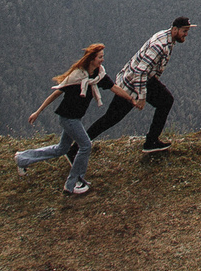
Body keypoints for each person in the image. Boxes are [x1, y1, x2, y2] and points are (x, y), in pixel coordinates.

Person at [14, 43, 137, 196]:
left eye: (102, 57)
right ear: (92, 59)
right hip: (68, 118)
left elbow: (114, 88)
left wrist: (131, 99)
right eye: (100, 57)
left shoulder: (98, 75)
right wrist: (38, 111)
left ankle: (23, 158)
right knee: (85, 145)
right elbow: (56, 93)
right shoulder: (77, 76)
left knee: (62, 149)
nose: (102, 60)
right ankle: (73, 184)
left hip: (75, 118)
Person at [88, 16, 191, 153]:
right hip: (132, 84)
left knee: (165, 101)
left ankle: (152, 141)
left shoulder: (166, 38)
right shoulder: (159, 46)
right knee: (110, 119)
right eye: (184, 31)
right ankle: (76, 147)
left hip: (144, 79)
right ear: (174, 29)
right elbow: (140, 71)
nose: (186, 34)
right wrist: (141, 98)